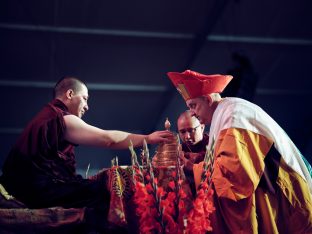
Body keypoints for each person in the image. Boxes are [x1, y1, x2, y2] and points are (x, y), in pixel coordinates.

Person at [0, 76, 172, 232]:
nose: (87, 106)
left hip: (22, 187)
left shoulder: (44, 117)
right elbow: (108, 139)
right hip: (38, 190)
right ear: (69, 94)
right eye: (85, 98)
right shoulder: (60, 118)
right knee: (106, 192)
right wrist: (147, 138)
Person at [167, 69, 312, 233]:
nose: (192, 112)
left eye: (193, 106)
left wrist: (191, 168)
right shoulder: (226, 111)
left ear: (207, 99)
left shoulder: (234, 116)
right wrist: (196, 159)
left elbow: (234, 176)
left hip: (287, 203)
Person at [177, 110, 208, 196]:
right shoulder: (178, 152)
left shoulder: (214, 146)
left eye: (191, 130)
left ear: (202, 127)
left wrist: (191, 166)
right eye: (182, 132)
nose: (187, 136)